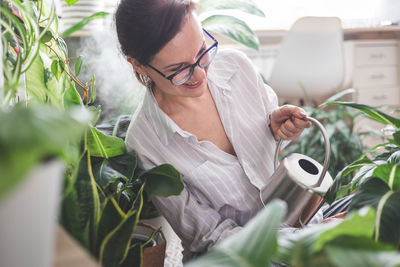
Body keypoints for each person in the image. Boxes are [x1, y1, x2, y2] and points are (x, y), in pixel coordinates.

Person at [115, 0, 315, 260]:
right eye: (179, 70)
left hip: (297, 220)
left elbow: (269, 154)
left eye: (201, 51)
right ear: (139, 65)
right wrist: (300, 244)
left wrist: (276, 130)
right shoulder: (145, 141)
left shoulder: (236, 66)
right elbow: (208, 235)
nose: (199, 75)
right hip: (234, 256)